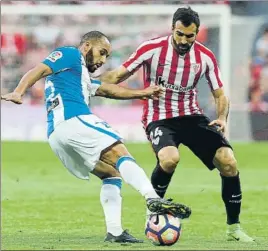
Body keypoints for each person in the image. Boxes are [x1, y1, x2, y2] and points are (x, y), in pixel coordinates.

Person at [1, 31, 191, 243]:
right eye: (101, 53)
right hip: (74, 119)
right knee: (120, 152)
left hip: (57, 135)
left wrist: (143, 93)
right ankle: (153, 198)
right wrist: (19, 91)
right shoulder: (70, 54)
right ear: (86, 46)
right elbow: (39, 69)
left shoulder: (76, 75)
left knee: (110, 173)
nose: (102, 60)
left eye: (107, 57)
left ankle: (115, 232)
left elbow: (107, 90)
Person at [100, 8, 255, 242]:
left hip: (191, 116)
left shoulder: (205, 57)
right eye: (180, 34)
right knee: (170, 159)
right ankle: (152, 212)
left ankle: (233, 228)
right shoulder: (150, 49)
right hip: (159, 117)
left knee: (228, 162)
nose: (184, 40)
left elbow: (220, 94)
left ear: (196, 33)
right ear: (172, 29)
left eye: (189, 36)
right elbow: (116, 76)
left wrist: (222, 118)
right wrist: (89, 83)